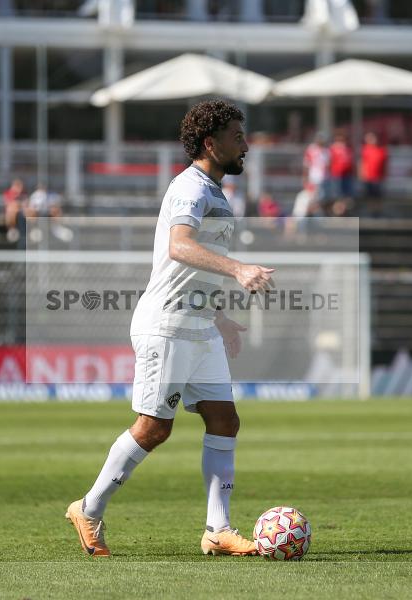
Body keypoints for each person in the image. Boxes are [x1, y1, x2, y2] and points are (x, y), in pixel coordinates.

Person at [65, 99, 274, 557]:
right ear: (210, 143)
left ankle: (217, 530)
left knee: (224, 418)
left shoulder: (216, 192)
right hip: (167, 326)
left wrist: (220, 319)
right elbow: (180, 247)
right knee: (155, 427)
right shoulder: (190, 189)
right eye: (237, 136)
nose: (245, 144)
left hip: (199, 326)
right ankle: (88, 508)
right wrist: (238, 270)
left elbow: (193, 269)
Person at [360, 132, 388, 216]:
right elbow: (362, 163)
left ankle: (378, 213)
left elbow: (385, 164)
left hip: (378, 178)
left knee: (378, 196)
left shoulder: (382, 150)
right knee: (370, 196)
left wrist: (385, 175)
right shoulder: (365, 150)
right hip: (368, 178)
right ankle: (371, 212)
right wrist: (362, 174)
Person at [327, 131, 353, 215]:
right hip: (336, 175)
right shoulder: (332, 148)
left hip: (346, 175)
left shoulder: (348, 149)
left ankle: (343, 213)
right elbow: (329, 162)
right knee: (337, 196)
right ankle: (336, 213)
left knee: (345, 196)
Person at [302, 133, 330, 206]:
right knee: (312, 197)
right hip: (313, 177)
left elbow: (328, 165)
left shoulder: (326, 151)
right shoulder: (311, 149)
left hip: (324, 178)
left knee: (322, 197)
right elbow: (306, 164)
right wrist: (305, 178)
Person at [3, 178, 27, 242]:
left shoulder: (23, 194)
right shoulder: (8, 193)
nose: (19, 188)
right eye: (17, 185)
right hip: (12, 213)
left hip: (21, 212)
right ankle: (12, 229)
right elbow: (8, 203)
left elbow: (25, 204)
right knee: (11, 209)